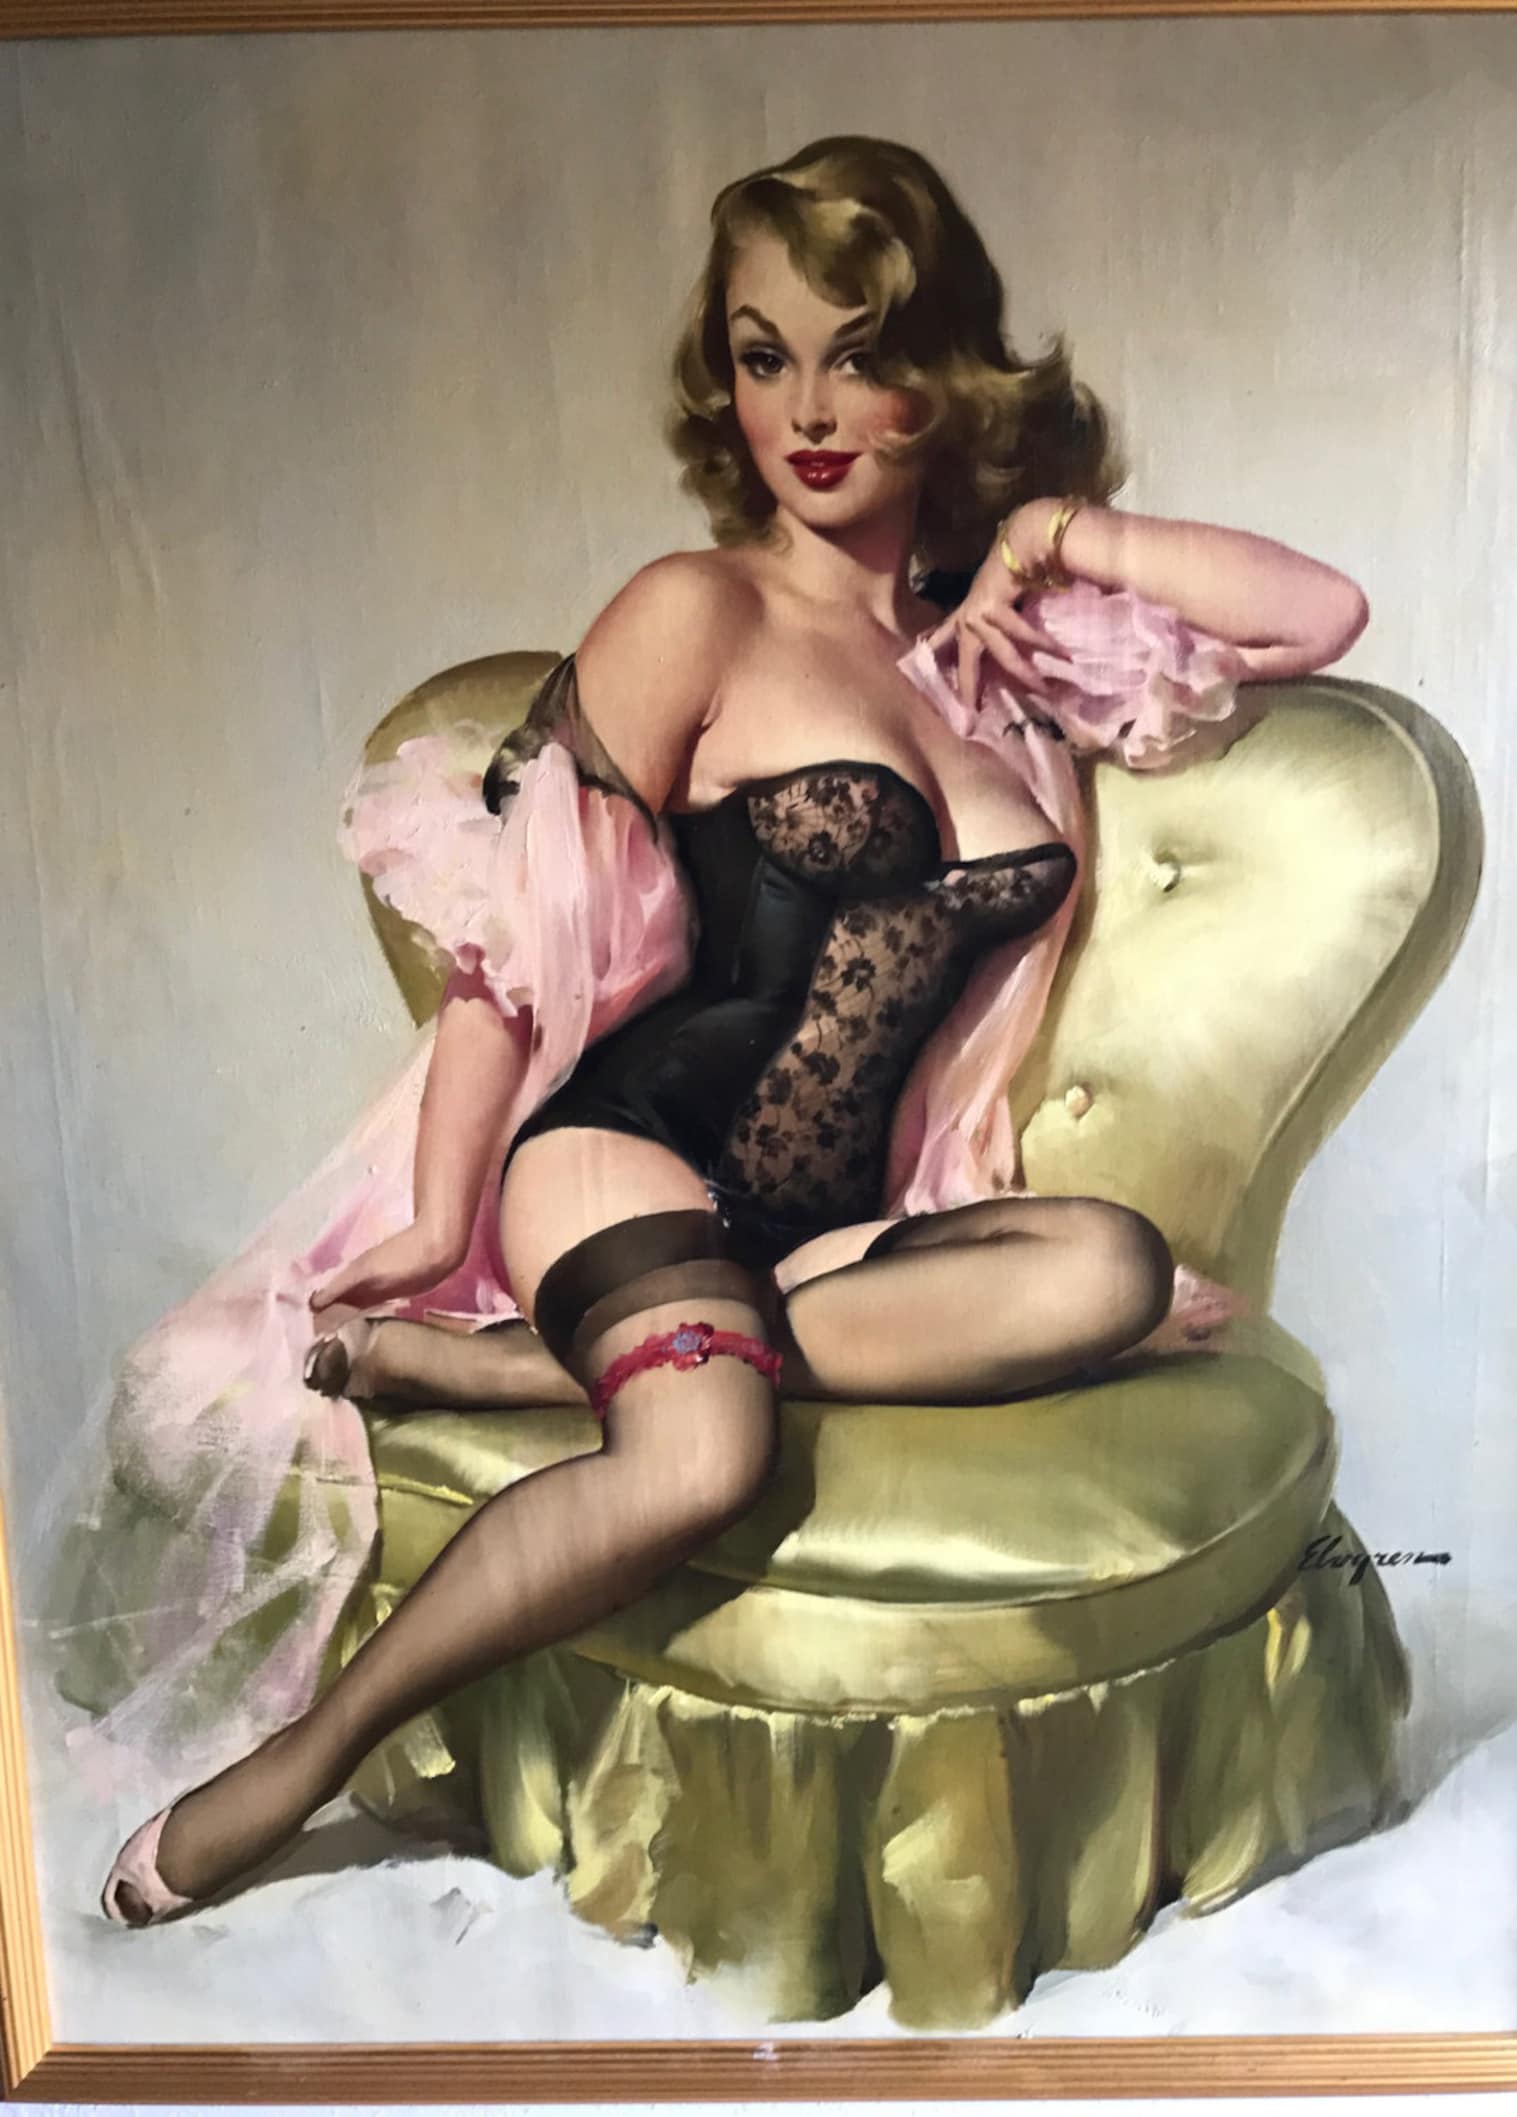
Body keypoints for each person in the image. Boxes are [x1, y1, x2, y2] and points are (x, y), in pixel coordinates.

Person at [96, 134, 1367, 1926]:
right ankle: (295, 1766)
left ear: (949, 373)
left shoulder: (1000, 651)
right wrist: (444, 1214)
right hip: (628, 1152)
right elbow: (507, 918)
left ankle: (521, 1371)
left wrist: (1051, 533)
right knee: (703, 1458)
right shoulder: (696, 610)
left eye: (864, 353)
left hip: (817, 1230)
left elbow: (1322, 612)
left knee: (1112, 1267)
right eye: (767, 358)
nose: (811, 410)